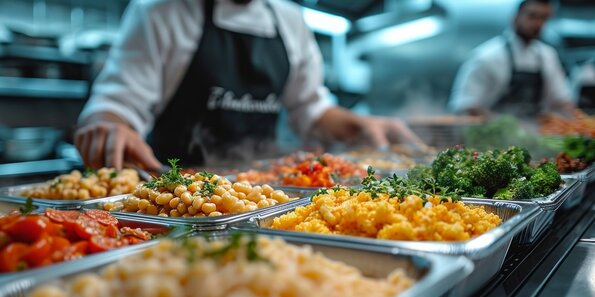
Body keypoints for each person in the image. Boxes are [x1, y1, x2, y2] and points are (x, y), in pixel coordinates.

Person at [74, 0, 424, 170]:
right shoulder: (160, 11)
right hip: (175, 194)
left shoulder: (289, 19)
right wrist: (109, 129)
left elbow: (312, 110)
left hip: (259, 192)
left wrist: (361, 125)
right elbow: (117, 107)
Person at [448, 0, 575, 122]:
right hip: (494, 137)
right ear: (515, 17)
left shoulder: (548, 56)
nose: (538, 23)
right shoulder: (487, 57)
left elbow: (562, 100)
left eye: (544, 18)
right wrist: (503, 126)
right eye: (532, 16)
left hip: (537, 135)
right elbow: (466, 104)